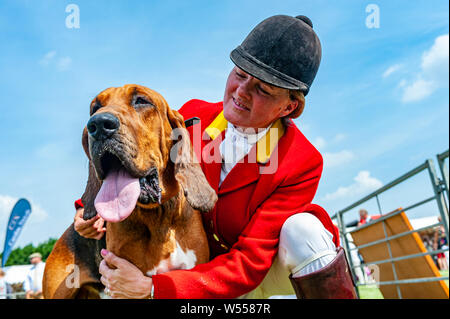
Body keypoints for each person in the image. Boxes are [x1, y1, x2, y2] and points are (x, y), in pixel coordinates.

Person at [74, 15, 356, 299]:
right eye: (240, 74)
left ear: (289, 107)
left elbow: (250, 261)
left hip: (252, 275)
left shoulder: (302, 161)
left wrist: (152, 289)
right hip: (192, 272)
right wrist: (87, 209)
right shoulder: (193, 117)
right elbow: (141, 156)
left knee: (303, 230)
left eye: (262, 89)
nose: (241, 93)